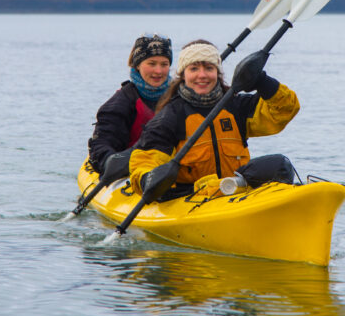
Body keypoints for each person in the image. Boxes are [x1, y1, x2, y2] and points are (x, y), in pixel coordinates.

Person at [129, 39, 300, 198]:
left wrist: (263, 82)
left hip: (235, 190)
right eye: (194, 68)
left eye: (209, 68)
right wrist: (146, 179)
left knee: (280, 164)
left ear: (217, 73)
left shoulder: (235, 105)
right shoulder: (171, 116)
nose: (202, 75)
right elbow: (146, 159)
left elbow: (284, 111)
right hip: (191, 197)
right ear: (183, 74)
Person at [87, 34, 173, 178]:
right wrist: (110, 162)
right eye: (152, 64)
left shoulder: (178, 97)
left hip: (170, 167)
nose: (158, 71)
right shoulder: (120, 103)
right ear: (137, 65)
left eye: (164, 64)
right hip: (133, 172)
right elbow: (101, 144)